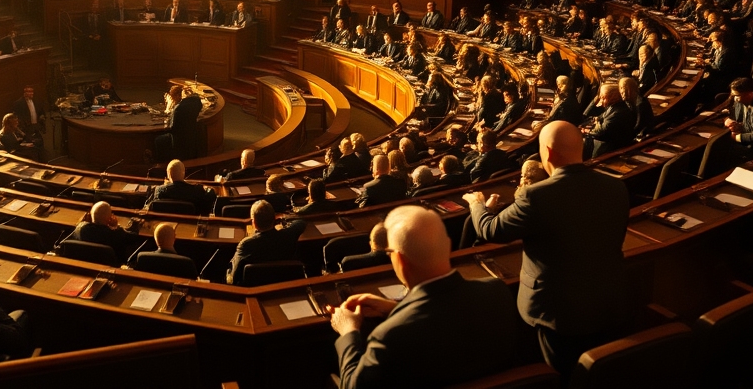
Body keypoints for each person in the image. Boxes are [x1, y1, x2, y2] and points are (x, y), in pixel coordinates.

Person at [466, 121, 630, 373]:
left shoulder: (536, 195)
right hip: (608, 303)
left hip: (556, 314)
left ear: (548, 152)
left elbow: (491, 230)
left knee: (561, 377)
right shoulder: (615, 187)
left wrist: (477, 205)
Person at [329, 206, 518, 389]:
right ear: (447, 246)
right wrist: (397, 310)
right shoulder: (497, 291)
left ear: (400, 261)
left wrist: (348, 331)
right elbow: (443, 316)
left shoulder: (389, 336)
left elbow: (352, 385)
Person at [225, 200, 306, 285]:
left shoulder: (246, 244)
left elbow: (233, 277)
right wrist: (282, 224)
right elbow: (300, 222)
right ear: (274, 219)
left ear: (254, 223)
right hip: (284, 287)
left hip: (253, 289)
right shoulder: (288, 235)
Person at [582, 83, 634, 158]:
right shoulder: (613, 107)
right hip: (607, 142)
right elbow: (602, 116)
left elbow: (601, 132)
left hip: (611, 148)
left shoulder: (617, 112)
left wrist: (588, 131)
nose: (601, 101)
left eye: (603, 98)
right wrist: (598, 119)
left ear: (612, 97)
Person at [73, 201, 140, 258]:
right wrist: (116, 226)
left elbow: (81, 224)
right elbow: (133, 237)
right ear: (109, 218)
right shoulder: (115, 234)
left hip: (86, 261)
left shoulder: (80, 229)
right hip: (112, 265)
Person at [146, 159, 215, 214]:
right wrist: (207, 188)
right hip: (190, 225)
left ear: (168, 175)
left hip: (165, 222)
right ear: (183, 172)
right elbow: (209, 201)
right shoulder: (196, 190)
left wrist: (165, 185)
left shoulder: (159, 190)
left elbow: (149, 206)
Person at [167, 85, 205, 159]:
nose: (173, 100)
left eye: (173, 98)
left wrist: (169, 112)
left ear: (178, 96)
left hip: (179, 139)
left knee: (158, 140)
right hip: (192, 135)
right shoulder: (195, 102)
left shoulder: (178, 109)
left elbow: (172, 127)